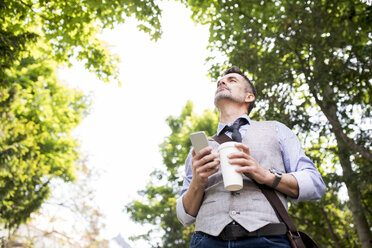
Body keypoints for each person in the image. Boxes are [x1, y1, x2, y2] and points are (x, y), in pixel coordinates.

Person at [176, 66, 326, 247]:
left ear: (249, 97)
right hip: (206, 242)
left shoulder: (277, 130)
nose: (222, 82)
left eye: (232, 80)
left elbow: (315, 184)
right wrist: (197, 183)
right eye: (220, 82)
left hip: (268, 240)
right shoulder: (200, 149)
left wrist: (265, 175)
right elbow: (184, 216)